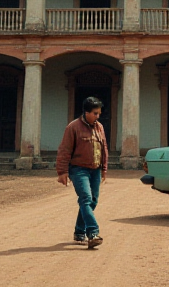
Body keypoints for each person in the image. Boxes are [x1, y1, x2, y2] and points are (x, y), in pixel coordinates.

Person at [56, 96, 108, 248]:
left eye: (99, 113)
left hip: (95, 170)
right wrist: (62, 172)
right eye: (95, 113)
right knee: (85, 198)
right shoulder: (73, 127)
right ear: (86, 112)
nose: (97, 116)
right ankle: (93, 232)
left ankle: (79, 232)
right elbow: (64, 150)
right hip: (78, 169)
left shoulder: (99, 127)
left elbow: (103, 148)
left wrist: (104, 168)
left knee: (93, 201)